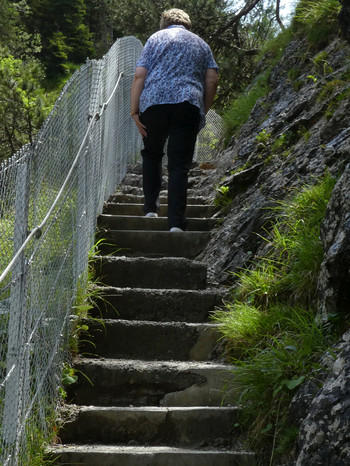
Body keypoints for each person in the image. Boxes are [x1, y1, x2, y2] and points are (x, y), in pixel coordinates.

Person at [131, 8, 218, 232]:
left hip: (154, 104)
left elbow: (140, 75)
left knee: (152, 154)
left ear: (164, 23)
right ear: (188, 24)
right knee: (179, 165)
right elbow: (212, 79)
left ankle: (150, 208)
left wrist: (134, 111)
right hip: (188, 103)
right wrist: (202, 109)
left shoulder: (155, 39)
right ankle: (176, 224)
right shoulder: (201, 44)